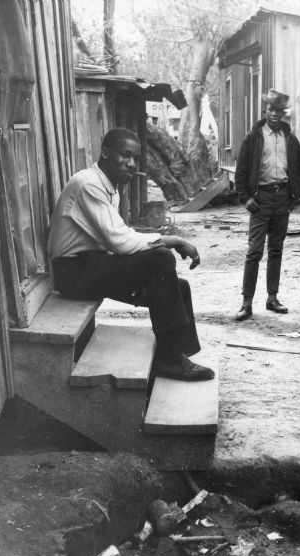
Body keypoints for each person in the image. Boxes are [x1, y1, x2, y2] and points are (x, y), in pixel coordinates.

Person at [47, 127, 214, 382]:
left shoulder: (107, 186)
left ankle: (176, 355)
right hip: (72, 272)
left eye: (136, 159)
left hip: (90, 265)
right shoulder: (88, 184)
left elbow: (119, 237)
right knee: (161, 259)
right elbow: (120, 242)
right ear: (105, 153)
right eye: (125, 156)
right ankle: (170, 362)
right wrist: (173, 240)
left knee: (178, 287)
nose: (132, 164)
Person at [234, 89, 300, 321]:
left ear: (283, 114)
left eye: (279, 110)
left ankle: (272, 297)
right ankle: (246, 303)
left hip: (282, 199)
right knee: (254, 251)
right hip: (260, 201)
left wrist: (296, 196)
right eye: (270, 109)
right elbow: (241, 172)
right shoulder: (253, 138)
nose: (274, 114)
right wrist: (246, 198)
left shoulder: (289, 138)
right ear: (265, 110)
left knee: (276, 250)